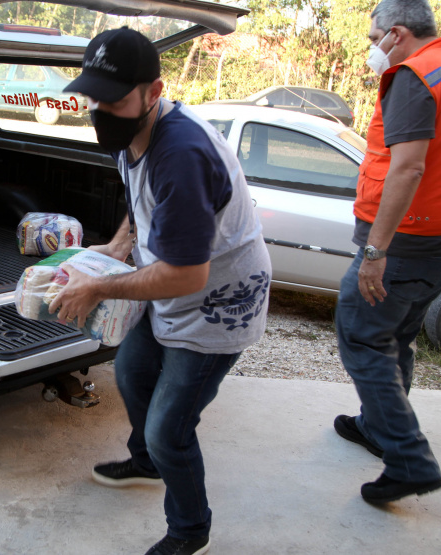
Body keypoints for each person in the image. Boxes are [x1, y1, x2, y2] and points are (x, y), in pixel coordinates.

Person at [48, 27, 271, 555]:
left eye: (114, 100)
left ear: (154, 92)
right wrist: (120, 245)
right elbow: (141, 200)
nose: (100, 110)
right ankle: (148, 462)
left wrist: (99, 288)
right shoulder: (134, 132)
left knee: (170, 427)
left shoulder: (183, 155)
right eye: (92, 98)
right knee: (132, 371)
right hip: (171, 282)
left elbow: (187, 275)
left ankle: (190, 531)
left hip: (218, 302)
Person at [334, 0, 441, 505]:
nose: (371, 48)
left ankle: (409, 459)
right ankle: (377, 428)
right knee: (396, 335)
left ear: (397, 34)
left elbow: (407, 168)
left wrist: (377, 250)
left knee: (361, 337)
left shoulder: (414, 75)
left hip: (406, 242)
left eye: (372, 37)